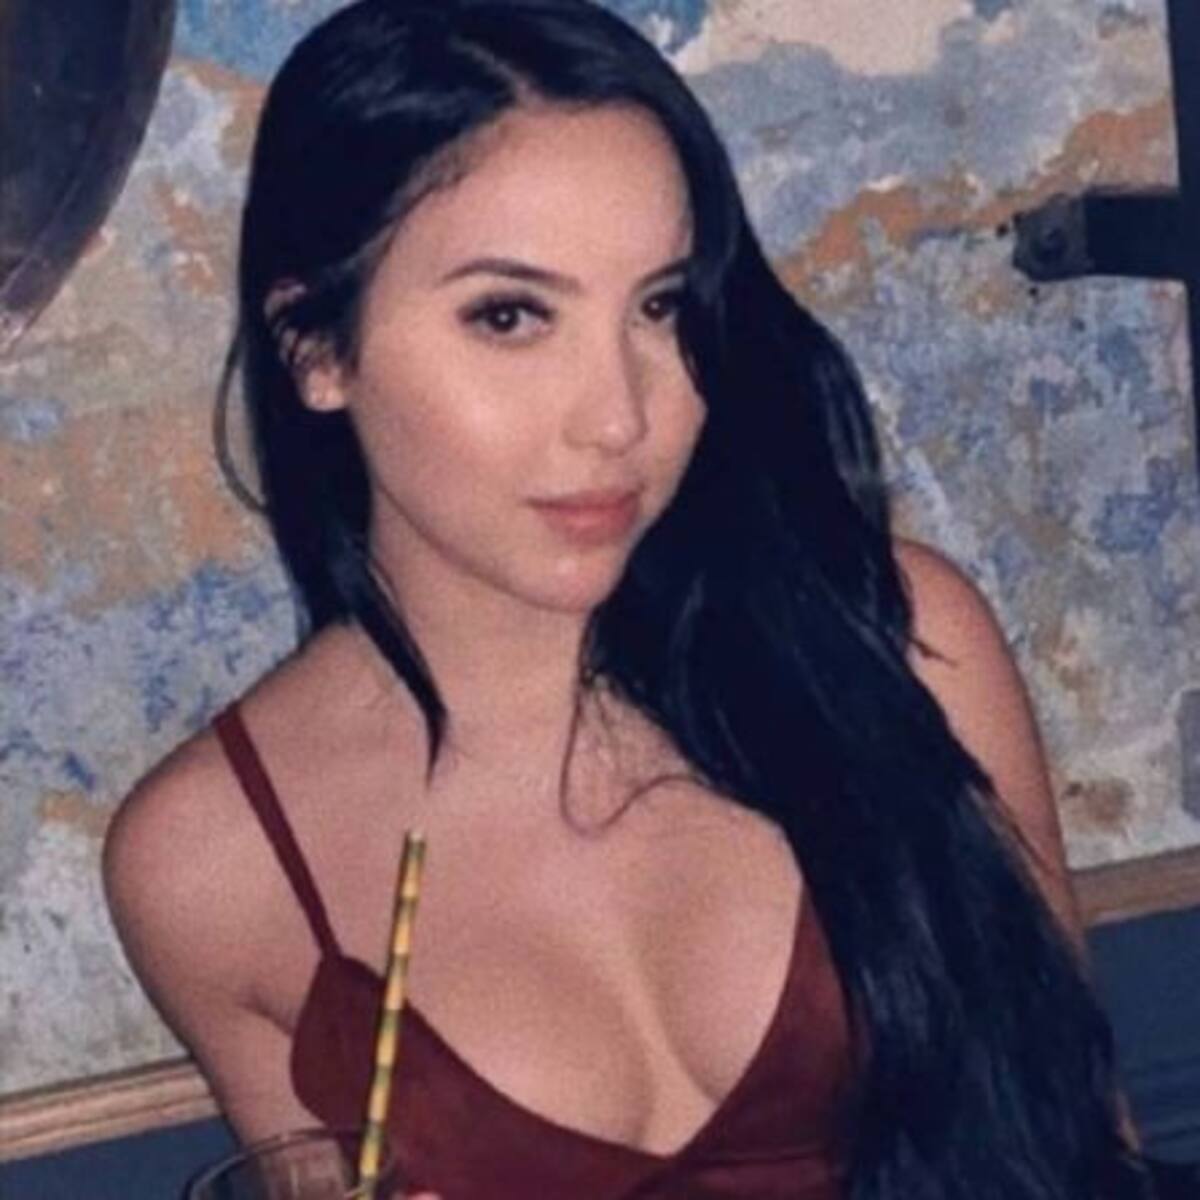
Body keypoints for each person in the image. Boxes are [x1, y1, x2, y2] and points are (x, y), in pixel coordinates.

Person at [104, 2, 1136, 1197]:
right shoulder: (211, 863)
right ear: (315, 349)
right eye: (511, 315)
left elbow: (1087, 1149)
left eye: (661, 307)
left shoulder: (898, 640)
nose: (619, 417)